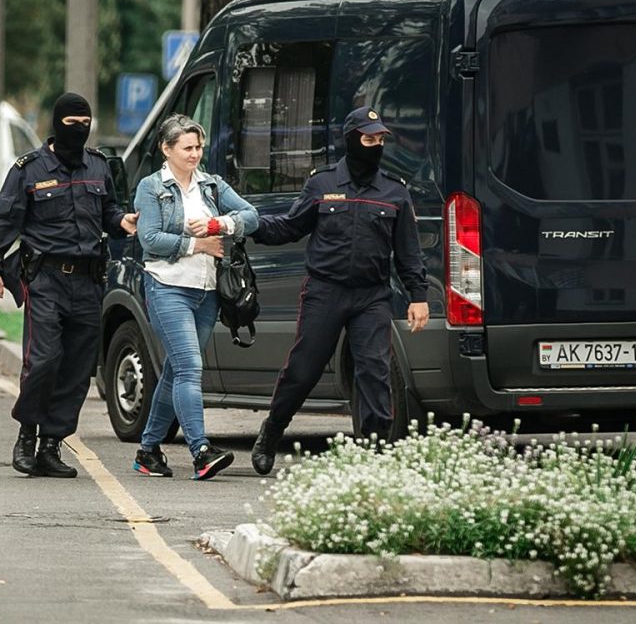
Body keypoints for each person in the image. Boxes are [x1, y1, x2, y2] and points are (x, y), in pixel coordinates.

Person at [249, 106, 429, 475]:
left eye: (380, 139)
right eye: (369, 138)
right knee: (304, 368)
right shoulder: (323, 184)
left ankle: (375, 455)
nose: (376, 145)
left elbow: (409, 252)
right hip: (325, 292)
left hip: (371, 297)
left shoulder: (394, 192)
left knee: (374, 373)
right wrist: (247, 225)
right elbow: (289, 227)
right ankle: (272, 431)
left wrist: (419, 296)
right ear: (351, 139)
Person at [0, 92, 138, 478]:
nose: (79, 128)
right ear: (56, 123)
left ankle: (52, 445)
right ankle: (27, 434)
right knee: (44, 360)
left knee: (77, 368)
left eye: (86, 122)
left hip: (88, 281)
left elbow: (109, 211)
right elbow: (5, 219)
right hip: (45, 278)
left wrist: (121, 222)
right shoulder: (29, 169)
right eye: (72, 122)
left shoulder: (98, 166)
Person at [131, 114, 259, 480]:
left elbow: (252, 216)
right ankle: (200, 450)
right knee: (189, 367)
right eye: (187, 147)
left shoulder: (212, 186)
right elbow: (150, 239)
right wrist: (196, 244)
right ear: (166, 148)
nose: (195, 154)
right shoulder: (151, 188)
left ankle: (148, 451)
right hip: (168, 287)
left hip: (208, 292)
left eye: (198, 146)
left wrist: (221, 224)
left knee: (175, 370)